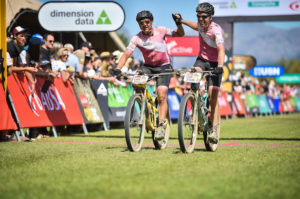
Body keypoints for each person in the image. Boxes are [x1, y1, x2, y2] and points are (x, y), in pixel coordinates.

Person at [114, 10, 184, 140]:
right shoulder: (136, 38)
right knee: (135, 82)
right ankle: (145, 110)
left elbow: (180, 34)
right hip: (148, 67)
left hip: (164, 66)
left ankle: (161, 126)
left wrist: (179, 23)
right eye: (141, 23)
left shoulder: (161, 30)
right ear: (139, 25)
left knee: (161, 95)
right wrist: (118, 68)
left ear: (151, 22)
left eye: (147, 21)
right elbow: (126, 54)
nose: (144, 24)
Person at [174, 2, 225, 143]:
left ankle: (214, 128)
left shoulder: (217, 31)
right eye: (198, 16)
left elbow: (221, 50)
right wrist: (181, 21)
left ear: (210, 17)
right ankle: (194, 102)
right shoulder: (200, 26)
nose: (200, 19)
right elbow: (195, 26)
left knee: (212, 97)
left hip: (215, 64)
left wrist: (220, 66)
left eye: (203, 17)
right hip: (201, 60)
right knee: (193, 74)